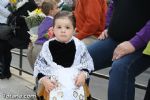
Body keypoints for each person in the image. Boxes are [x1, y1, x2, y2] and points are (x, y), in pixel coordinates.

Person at [87, 0, 150, 100]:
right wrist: (108, 26)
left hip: (144, 45)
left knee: (120, 68)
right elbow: (114, 4)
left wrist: (134, 43)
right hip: (114, 38)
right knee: (80, 58)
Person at [34, 11, 94, 100]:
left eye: (67, 27)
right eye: (59, 27)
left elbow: (87, 62)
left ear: (74, 30)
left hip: (76, 88)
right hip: (53, 87)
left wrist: (83, 74)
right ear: (53, 29)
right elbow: (40, 65)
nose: (63, 30)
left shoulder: (79, 45)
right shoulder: (47, 46)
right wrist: (44, 80)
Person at [27, 0, 60, 70]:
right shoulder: (53, 22)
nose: (59, 9)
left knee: (39, 73)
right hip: (43, 48)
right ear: (51, 11)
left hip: (36, 47)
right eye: (57, 8)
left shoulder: (44, 21)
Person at [0, 0, 14, 79]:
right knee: (5, 49)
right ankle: (6, 72)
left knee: (3, 48)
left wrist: (10, 15)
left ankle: (4, 71)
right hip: (7, 23)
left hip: (5, 24)